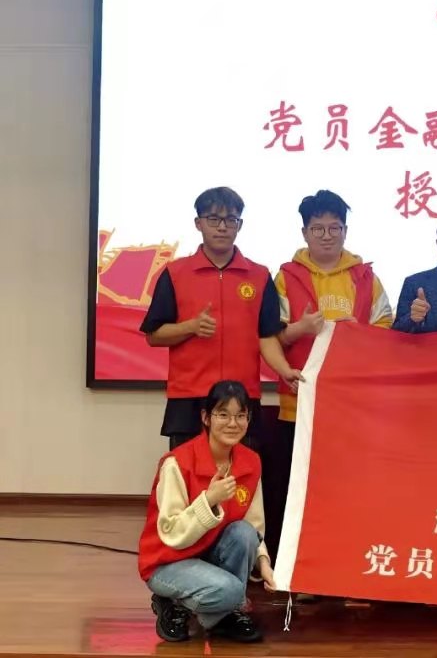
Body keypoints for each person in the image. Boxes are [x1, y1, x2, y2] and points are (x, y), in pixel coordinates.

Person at [264, 189, 393, 560]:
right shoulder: (285, 278)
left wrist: (359, 333)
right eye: (317, 228)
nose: (326, 235)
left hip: (350, 406)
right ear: (304, 232)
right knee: (294, 487)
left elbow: (387, 330)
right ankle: (289, 561)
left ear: (345, 231)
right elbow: (272, 336)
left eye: (334, 228)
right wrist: (300, 329)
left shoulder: (365, 277)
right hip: (299, 404)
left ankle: (344, 558)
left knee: (347, 486)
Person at [140, 187, 302, 449]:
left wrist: (285, 371)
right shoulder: (175, 273)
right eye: (214, 219)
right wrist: (191, 327)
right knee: (187, 472)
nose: (223, 227)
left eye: (231, 220)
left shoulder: (259, 276)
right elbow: (153, 336)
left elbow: (266, 336)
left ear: (240, 225)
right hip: (190, 396)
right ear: (199, 223)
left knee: (242, 472)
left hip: (242, 397)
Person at [138, 380, 275, 644]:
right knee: (234, 592)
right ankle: (172, 601)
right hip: (168, 562)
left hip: (207, 554)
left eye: (240, 416)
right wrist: (209, 499)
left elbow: (253, 525)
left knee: (244, 533)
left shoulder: (250, 462)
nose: (233, 423)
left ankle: (219, 611)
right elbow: (171, 534)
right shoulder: (177, 463)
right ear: (206, 418)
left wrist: (264, 563)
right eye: (223, 414)